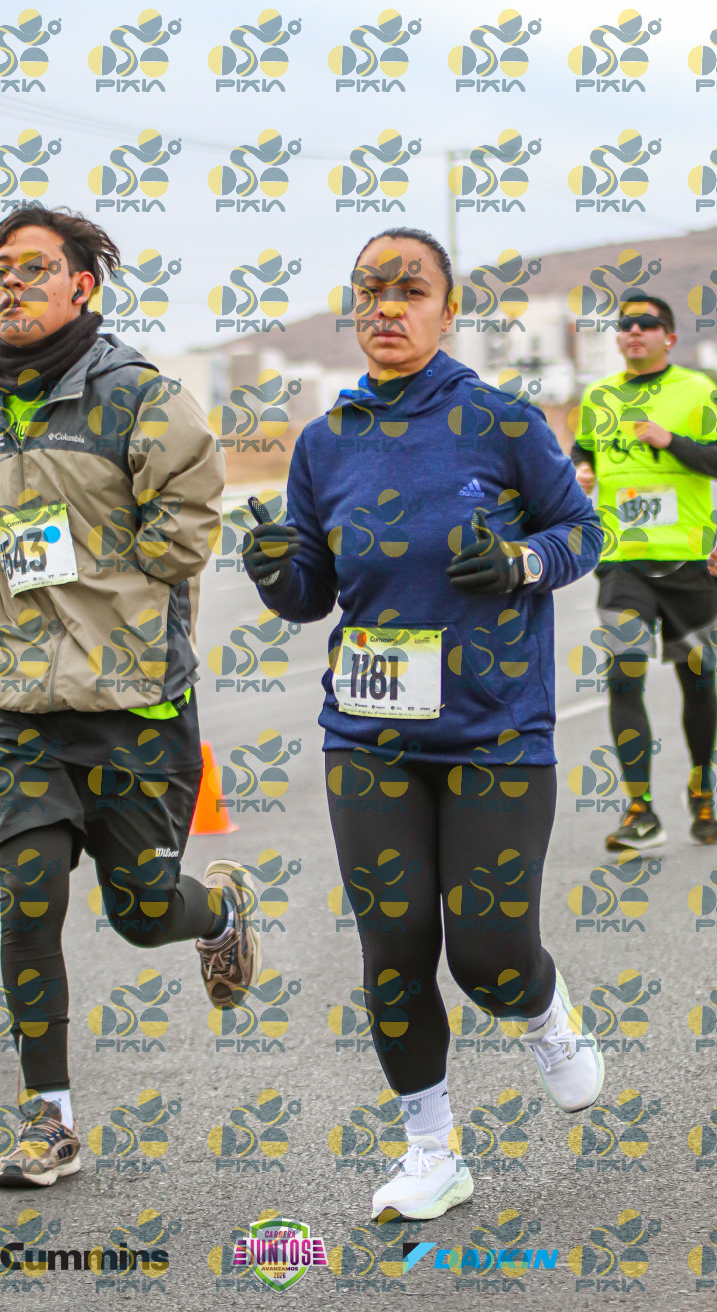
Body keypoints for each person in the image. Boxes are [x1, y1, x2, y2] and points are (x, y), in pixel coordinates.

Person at [241, 226, 605, 1221]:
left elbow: (582, 531)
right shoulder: (324, 442)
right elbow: (310, 592)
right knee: (394, 944)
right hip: (368, 733)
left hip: (495, 732)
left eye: (409, 290)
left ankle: (541, 1007)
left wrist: (522, 563)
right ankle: (430, 1151)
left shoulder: (501, 421)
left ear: (448, 311)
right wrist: (276, 573)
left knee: (487, 956)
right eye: (369, 291)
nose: (386, 307)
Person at [0, 207, 260, 1188]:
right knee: (27, 903)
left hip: (133, 702)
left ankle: (215, 911)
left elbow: (185, 531)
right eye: (0, 269)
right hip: (19, 706)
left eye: (34, 268)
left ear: (83, 285)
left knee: (141, 911)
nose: (12, 284)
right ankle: (49, 1119)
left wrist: (94, 573)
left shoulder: (142, 399)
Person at [571, 290, 717, 850]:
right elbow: (584, 449)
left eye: (647, 324)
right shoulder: (599, 396)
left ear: (669, 337)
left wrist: (670, 440)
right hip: (622, 562)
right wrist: (582, 469)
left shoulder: (698, 391)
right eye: (626, 324)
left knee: (699, 682)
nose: (634, 331)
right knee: (623, 674)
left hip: (690, 563)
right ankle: (641, 811)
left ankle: (702, 789)